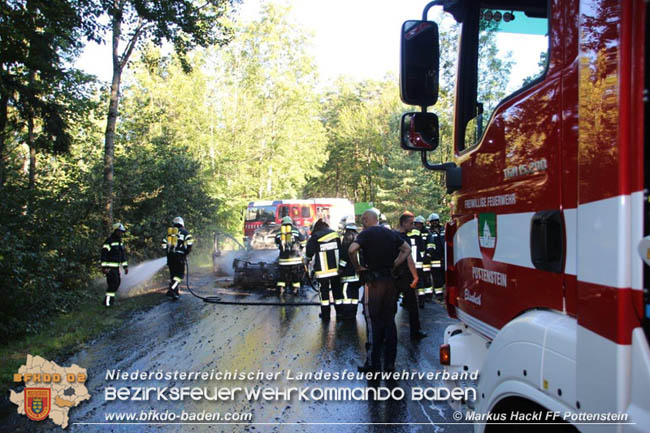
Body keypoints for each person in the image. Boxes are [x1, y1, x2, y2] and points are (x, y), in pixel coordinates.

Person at [349, 210, 413, 373]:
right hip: (390, 283)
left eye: (363, 219)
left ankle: (372, 363)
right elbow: (406, 249)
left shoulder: (366, 234)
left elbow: (351, 250)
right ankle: (390, 363)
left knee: (372, 322)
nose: (362, 222)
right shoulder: (390, 233)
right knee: (389, 321)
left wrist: (357, 267)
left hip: (374, 284)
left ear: (367, 220)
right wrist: (395, 264)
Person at [395, 213, 427, 338]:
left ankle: (386, 334)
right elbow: (409, 259)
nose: (413, 226)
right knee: (412, 305)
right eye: (411, 223)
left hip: (395, 275)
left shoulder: (394, 236)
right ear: (403, 223)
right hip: (405, 276)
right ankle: (415, 332)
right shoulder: (404, 238)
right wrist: (415, 276)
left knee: (391, 306)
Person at [306, 218, 342, 320]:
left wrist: (307, 260)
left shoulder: (315, 236)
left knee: (324, 292)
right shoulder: (334, 234)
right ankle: (339, 312)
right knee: (337, 291)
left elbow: (309, 252)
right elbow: (341, 249)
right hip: (336, 270)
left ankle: (326, 314)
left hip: (322, 271)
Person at [162, 216, 193, 300]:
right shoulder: (186, 233)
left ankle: (175, 292)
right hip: (179, 257)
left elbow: (164, 245)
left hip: (170, 257)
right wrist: (184, 254)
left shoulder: (170, 234)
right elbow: (189, 246)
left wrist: (168, 253)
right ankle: (172, 289)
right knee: (179, 276)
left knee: (173, 275)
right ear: (182, 223)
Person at [338, 223, 362, 319]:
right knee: (355, 293)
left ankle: (347, 314)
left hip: (349, 272)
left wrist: (341, 267)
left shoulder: (347, 238)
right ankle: (353, 312)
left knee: (346, 293)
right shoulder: (359, 237)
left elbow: (344, 254)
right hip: (358, 273)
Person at [101, 223, 128, 307]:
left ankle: (108, 301)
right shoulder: (109, 241)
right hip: (110, 268)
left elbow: (122, 255)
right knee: (113, 284)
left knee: (116, 283)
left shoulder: (119, 242)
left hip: (116, 268)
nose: (121, 233)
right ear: (115, 231)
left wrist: (125, 266)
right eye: (120, 232)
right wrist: (104, 267)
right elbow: (103, 255)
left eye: (122, 232)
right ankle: (108, 302)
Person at [274, 216, 305, 293]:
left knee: (282, 275)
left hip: (283, 259)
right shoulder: (296, 231)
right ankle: (295, 289)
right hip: (295, 259)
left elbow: (277, 244)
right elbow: (303, 241)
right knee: (295, 275)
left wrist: (281, 247)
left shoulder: (279, 232)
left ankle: (281, 288)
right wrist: (301, 248)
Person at [407, 216, 427, 307]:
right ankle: (421, 300)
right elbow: (422, 248)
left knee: (408, 281)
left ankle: (407, 302)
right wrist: (422, 257)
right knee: (420, 280)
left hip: (408, 262)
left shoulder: (405, 233)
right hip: (418, 262)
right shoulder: (419, 233)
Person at [415, 215, 434, 301]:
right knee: (418, 277)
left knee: (426, 277)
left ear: (422, 224)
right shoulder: (413, 232)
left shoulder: (427, 233)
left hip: (426, 260)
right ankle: (420, 296)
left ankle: (428, 295)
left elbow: (431, 244)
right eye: (417, 224)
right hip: (417, 260)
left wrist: (428, 254)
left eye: (420, 224)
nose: (418, 225)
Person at [427, 213, 445, 299]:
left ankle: (444, 291)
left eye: (436, 221)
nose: (434, 222)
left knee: (444, 275)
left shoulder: (444, 229)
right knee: (436, 276)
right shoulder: (428, 231)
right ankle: (439, 294)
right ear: (430, 222)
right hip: (434, 258)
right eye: (432, 221)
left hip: (445, 256)